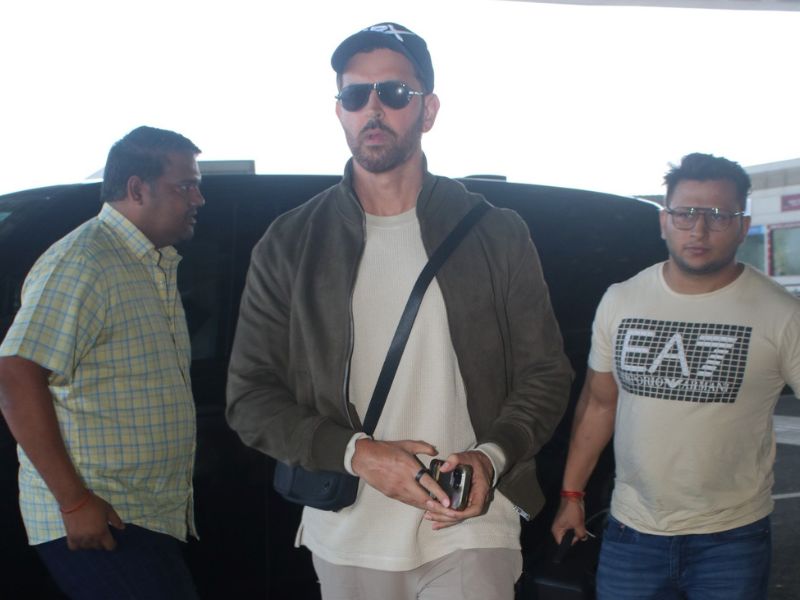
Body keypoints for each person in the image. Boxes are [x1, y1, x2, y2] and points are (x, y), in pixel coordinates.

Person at [226, 22, 572, 600]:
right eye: (355, 94)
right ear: (339, 110)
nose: (373, 108)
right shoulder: (291, 242)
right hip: (349, 532)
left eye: (394, 92)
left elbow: (546, 373)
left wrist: (493, 458)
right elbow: (249, 397)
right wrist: (357, 454)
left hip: (469, 527)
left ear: (428, 110)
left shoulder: (495, 233)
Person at [551, 152, 800, 599]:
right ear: (664, 221)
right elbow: (599, 404)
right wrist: (572, 496)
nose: (698, 230)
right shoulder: (621, 300)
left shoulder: (781, 314)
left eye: (718, 216)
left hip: (732, 540)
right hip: (631, 534)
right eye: (685, 213)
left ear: (742, 225)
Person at [0, 126, 205, 600]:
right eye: (186, 186)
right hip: (103, 514)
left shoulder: (145, 262)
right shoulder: (85, 259)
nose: (199, 199)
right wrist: (74, 503)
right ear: (137, 188)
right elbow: (15, 374)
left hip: (141, 513)